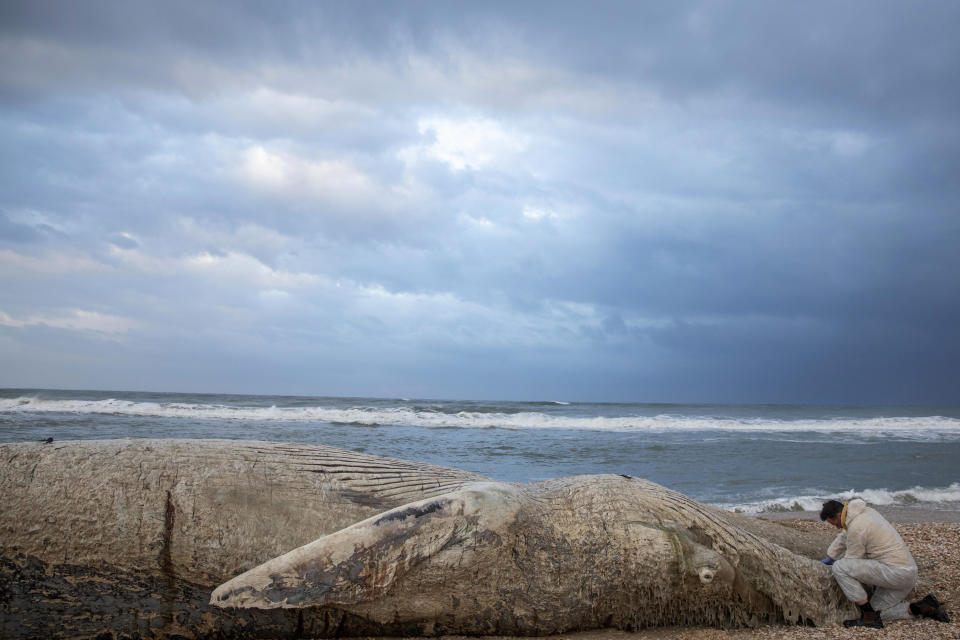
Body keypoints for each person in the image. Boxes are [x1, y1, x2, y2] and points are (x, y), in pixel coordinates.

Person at [820, 498, 950, 628]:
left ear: (838, 515)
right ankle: (923, 607)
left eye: (834, 523)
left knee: (840, 568)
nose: (837, 527)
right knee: (879, 611)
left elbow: (852, 560)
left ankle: (868, 618)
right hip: (908, 574)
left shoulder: (856, 527)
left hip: (894, 573)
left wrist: (833, 563)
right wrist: (830, 556)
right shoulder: (865, 512)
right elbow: (845, 534)